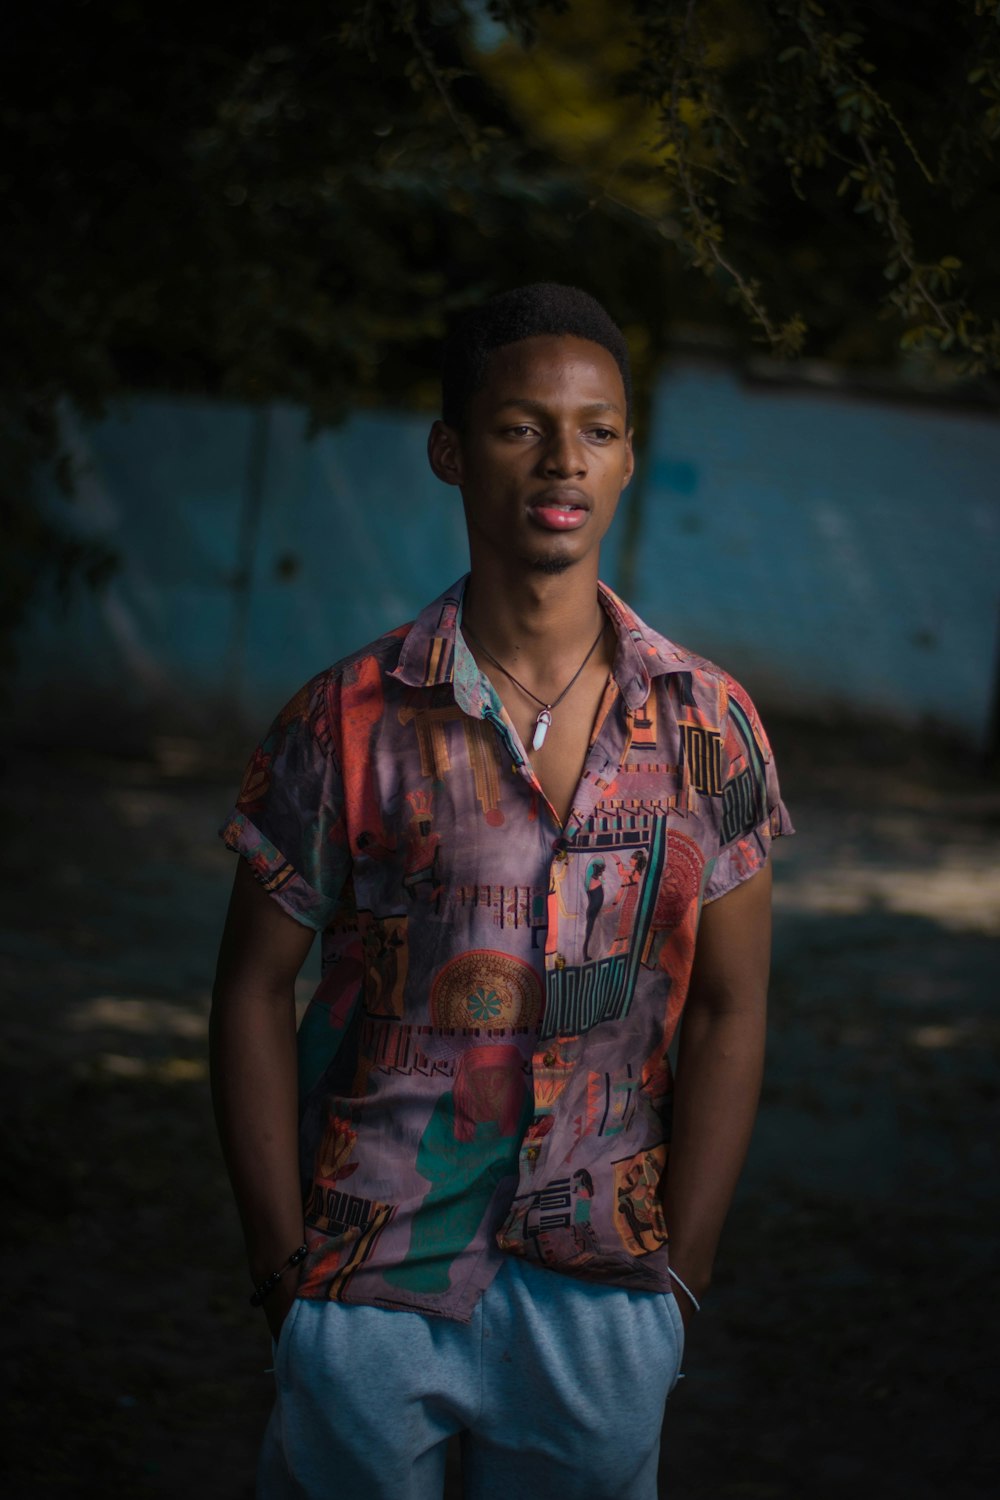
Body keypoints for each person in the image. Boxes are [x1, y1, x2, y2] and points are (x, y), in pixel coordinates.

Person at [210, 283, 792, 1500]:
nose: (561, 460)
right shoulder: (346, 719)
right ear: (451, 450)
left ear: (630, 456)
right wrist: (280, 1271)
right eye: (521, 426)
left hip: (602, 1291)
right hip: (368, 1283)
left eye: (596, 428)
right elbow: (252, 991)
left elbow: (734, 1009)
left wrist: (681, 1275)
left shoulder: (710, 725)